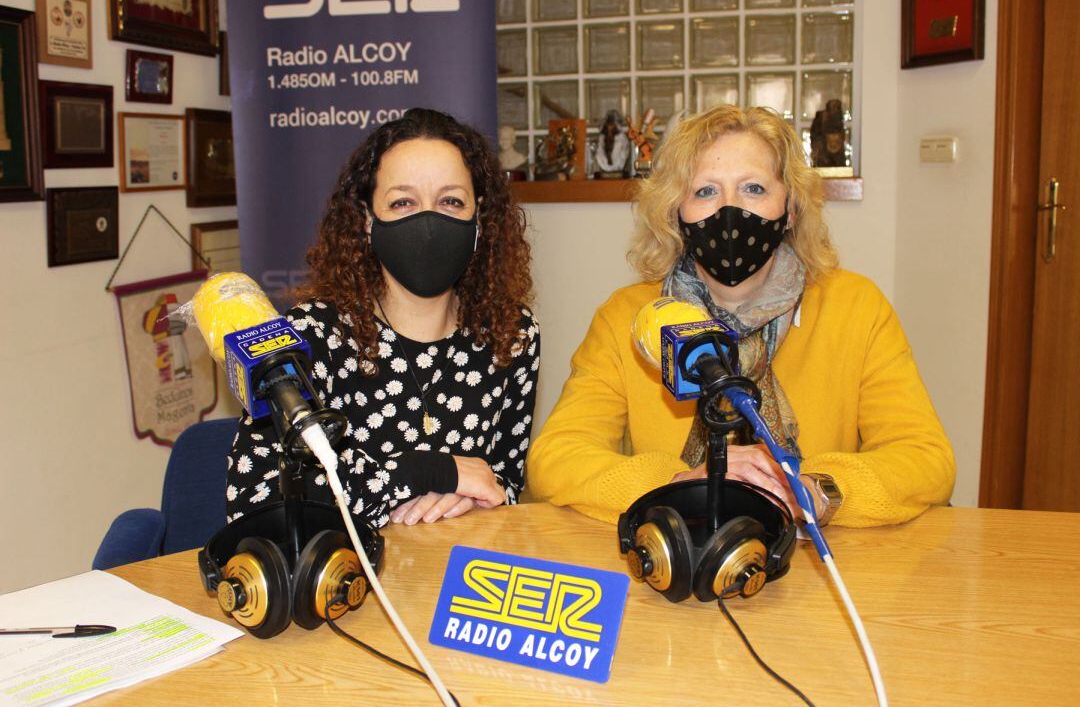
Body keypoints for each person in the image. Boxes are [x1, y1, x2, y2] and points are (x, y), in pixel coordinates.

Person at [528, 104, 954, 528]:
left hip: (812, 562)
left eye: (753, 189)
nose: (728, 211)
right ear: (677, 212)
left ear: (789, 208)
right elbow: (557, 457)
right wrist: (681, 484)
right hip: (676, 555)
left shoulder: (856, 307)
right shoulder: (628, 317)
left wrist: (819, 491)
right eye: (705, 192)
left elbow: (924, 458)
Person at [226, 108, 540, 529]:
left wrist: (476, 498)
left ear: (479, 218)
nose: (428, 222)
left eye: (451, 201)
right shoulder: (308, 339)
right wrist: (425, 472)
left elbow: (504, 482)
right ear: (367, 221)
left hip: (457, 576)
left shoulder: (511, 335)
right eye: (402, 202)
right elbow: (253, 501)